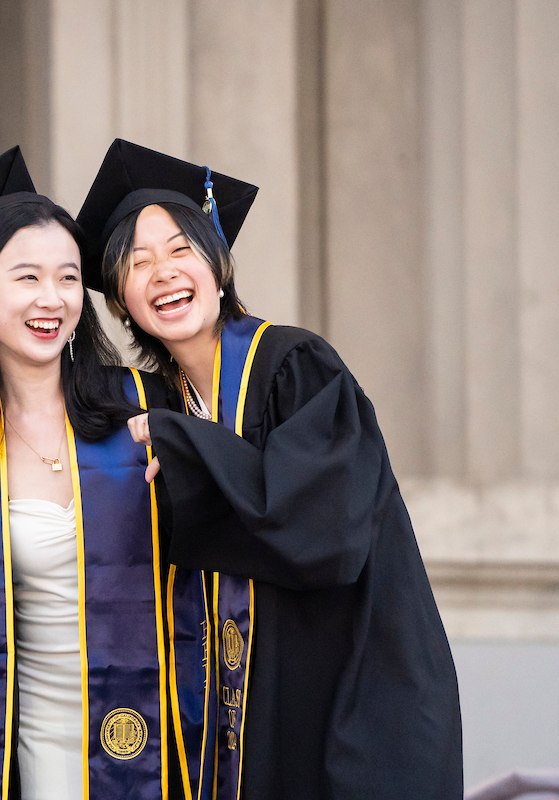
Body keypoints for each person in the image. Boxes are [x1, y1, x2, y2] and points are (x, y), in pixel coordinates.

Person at [77, 138, 463, 800]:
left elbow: (325, 531)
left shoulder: (295, 365)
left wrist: (189, 447)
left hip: (360, 702)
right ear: (119, 302)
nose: (162, 272)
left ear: (219, 266)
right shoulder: (156, 408)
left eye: (180, 250)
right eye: (137, 264)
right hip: (252, 716)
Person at [0, 148, 174, 800]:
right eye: (27, 278)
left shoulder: (148, 408)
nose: (52, 299)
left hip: (171, 736)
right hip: (30, 752)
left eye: (68, 278)